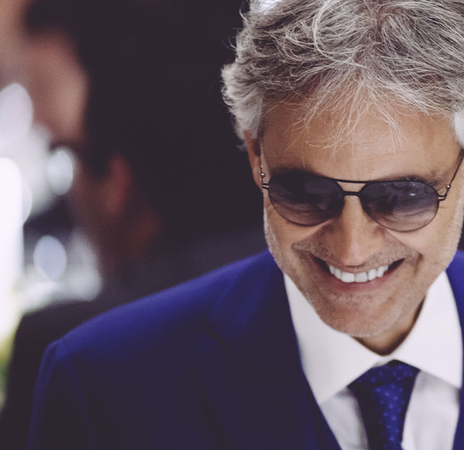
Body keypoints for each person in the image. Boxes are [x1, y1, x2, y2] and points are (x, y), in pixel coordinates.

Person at [28, 0, 464, 449]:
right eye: (306, 193)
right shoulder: (104, 388)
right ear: (256, 157)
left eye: (400, 197)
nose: (351, 244)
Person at [0, 0, 265, 448]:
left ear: (117, 179)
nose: (37, 116)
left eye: (67, 151)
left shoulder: (71, 350)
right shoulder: (335, 302)